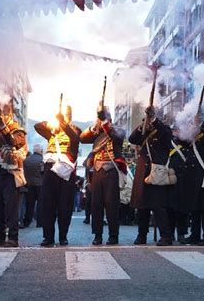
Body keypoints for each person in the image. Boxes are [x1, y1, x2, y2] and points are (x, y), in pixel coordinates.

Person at [34, 106, 81, 247]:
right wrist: (51, 122)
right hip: (51, 167)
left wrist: (63, 123)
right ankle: (48, 237)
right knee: (47, 204)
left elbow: (74, 137)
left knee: (65, 205)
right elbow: (37, 126)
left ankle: (63, 236)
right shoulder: (53, 132)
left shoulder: (74, 129)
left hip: (66, 169)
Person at [79, 105, 126, 245]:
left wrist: (105, 122)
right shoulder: (97, 132)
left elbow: (116, 137)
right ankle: (97, 235)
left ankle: (113, 235)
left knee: (112, 205)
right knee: (96, 205)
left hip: (111, 170)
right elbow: (82, 138)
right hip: (97, 171)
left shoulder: (118, 130)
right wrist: (95, 125)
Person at [129, 106, 173, 246]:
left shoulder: (163, 129)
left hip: (156, 170)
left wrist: (153, 120)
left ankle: (166, 236)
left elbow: (165, 135)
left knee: (158, 205)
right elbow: (132, 138)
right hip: (143, 170)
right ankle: (142, 235)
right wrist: (143, 125)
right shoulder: (144, 130)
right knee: (142, 205)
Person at [0, 101, 28, 248]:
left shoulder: (18, 131)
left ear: (9, 115)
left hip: (12, 173)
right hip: (0, 171)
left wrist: (3, 126)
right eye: (0, 114)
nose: (1, 117)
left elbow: (14, 143)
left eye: (4, 114)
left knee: (11, 207)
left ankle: (13, 238)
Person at [22, 144, 44, 228]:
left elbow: (23, 171)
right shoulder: (42, 159)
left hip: (29, 184)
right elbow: (43, 171)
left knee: (29, 204)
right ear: (41, 151)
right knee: (40, 204)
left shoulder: (27, 160)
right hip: (40, 184)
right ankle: (40, 222)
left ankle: (27, 222)